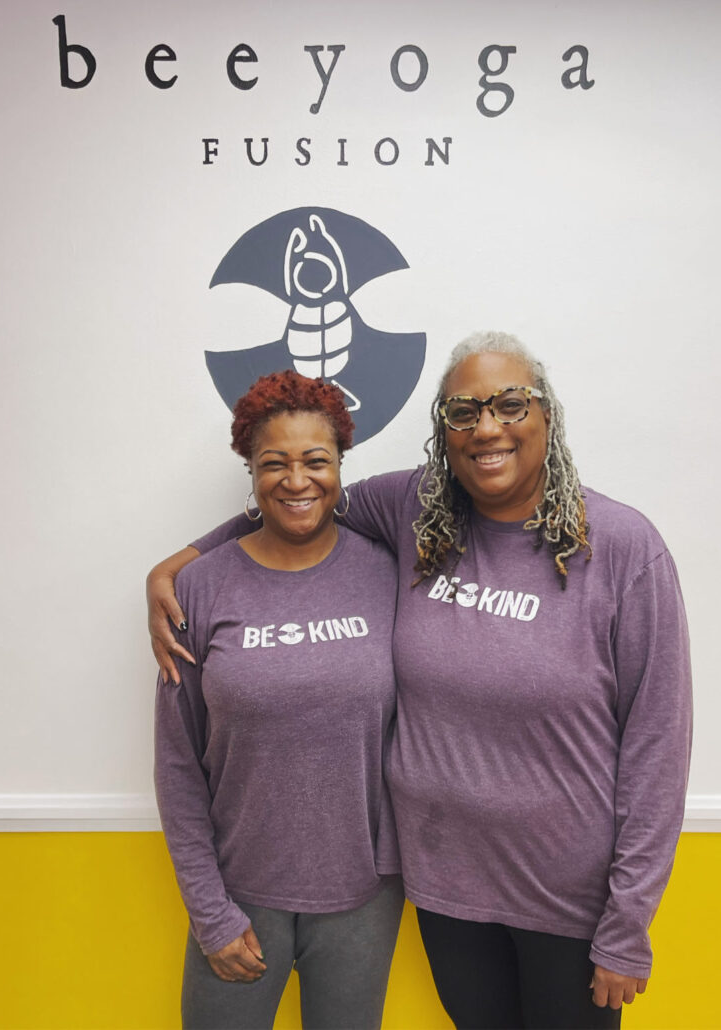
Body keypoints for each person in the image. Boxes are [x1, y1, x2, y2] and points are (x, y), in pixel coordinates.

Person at [149, 332, 692, 1030]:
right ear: (443, 433)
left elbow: (658, 742)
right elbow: (300, 502)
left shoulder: (620, 546)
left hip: (568, 903)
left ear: (547, 416)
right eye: (464, 412)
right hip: (447, 894)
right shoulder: (415, 511)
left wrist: (629, 918)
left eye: (510, 405)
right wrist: (177, 566)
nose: (487, 427)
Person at [154, 370, 403, 1030]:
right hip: (238, 896)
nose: (297, 480)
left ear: (341, 466)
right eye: (275, 463)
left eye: (316, 460)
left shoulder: (388, 571)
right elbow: (180, 765)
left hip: (363, 898)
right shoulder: (201, 588)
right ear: (251, 472)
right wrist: (210, 912)